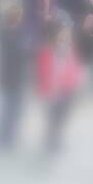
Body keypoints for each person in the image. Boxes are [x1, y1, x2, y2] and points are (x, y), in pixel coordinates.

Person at [36, 20, 82, 155]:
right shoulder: (47, 50)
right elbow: (42, 72)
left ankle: (56, 137)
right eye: (64, 32)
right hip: (53, 92)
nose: (67, 34)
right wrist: (45, 90)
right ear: (56, 34)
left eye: (67, 32)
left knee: (62, 117)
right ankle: (51, 140)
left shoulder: (69, 49)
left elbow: (74, 68)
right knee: (52, 118)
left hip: (67, 90)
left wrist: (74, 83)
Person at [0, 4, 28, 150]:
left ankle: (5, 136)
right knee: (11, 110)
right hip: (13, 79)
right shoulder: (11, 37)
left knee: (10, 109)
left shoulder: (9, 34)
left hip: (11, 78)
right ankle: (5, 137)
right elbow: (18, 56)